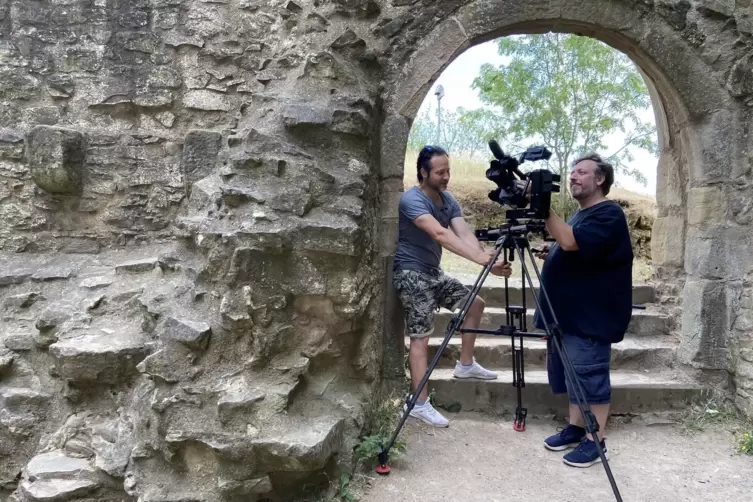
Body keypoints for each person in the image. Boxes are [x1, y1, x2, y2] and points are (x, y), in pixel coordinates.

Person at [392, 145, 513, 428]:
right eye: (440, 172)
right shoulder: (412, 199)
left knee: (475, 304)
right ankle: (419, 403)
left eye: (448, 171)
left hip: (434, 272)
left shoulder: (448, 200)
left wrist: (488, 260)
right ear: (424, 172)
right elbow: (439, 233)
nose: (446, 177)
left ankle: (465, 364)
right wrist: (481, 260)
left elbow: (463, 233)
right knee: (420, 337)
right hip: (411, 273)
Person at [533, 153, 633, 468]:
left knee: (590, 376)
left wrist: (542, 205)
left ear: (600, 179)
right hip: (568, 315)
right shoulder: (580, 215)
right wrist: (552, 251)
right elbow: (571, 245)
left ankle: (596, 440)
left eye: (581, 172)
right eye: (572, 172)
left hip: (591, 316)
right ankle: (577, 427)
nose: (573, 176)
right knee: (572, 375)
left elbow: (572, 243)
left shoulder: (609, 213)